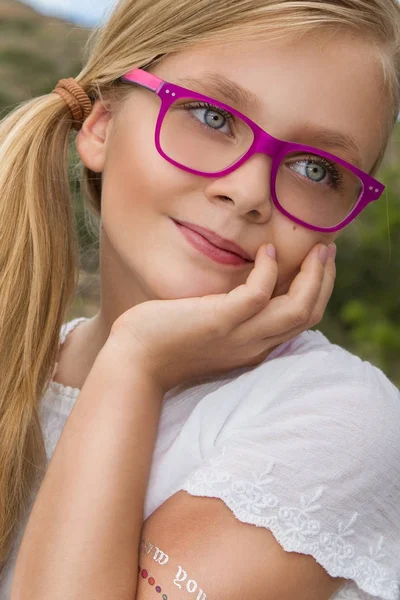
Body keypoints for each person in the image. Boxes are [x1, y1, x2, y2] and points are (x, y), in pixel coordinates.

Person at [0, 0, 399, 598]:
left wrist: (136, 363)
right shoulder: (15, 361)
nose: (247, 192)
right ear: (102, 126)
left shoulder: (337, 417)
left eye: (317, 169)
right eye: (213, 117)